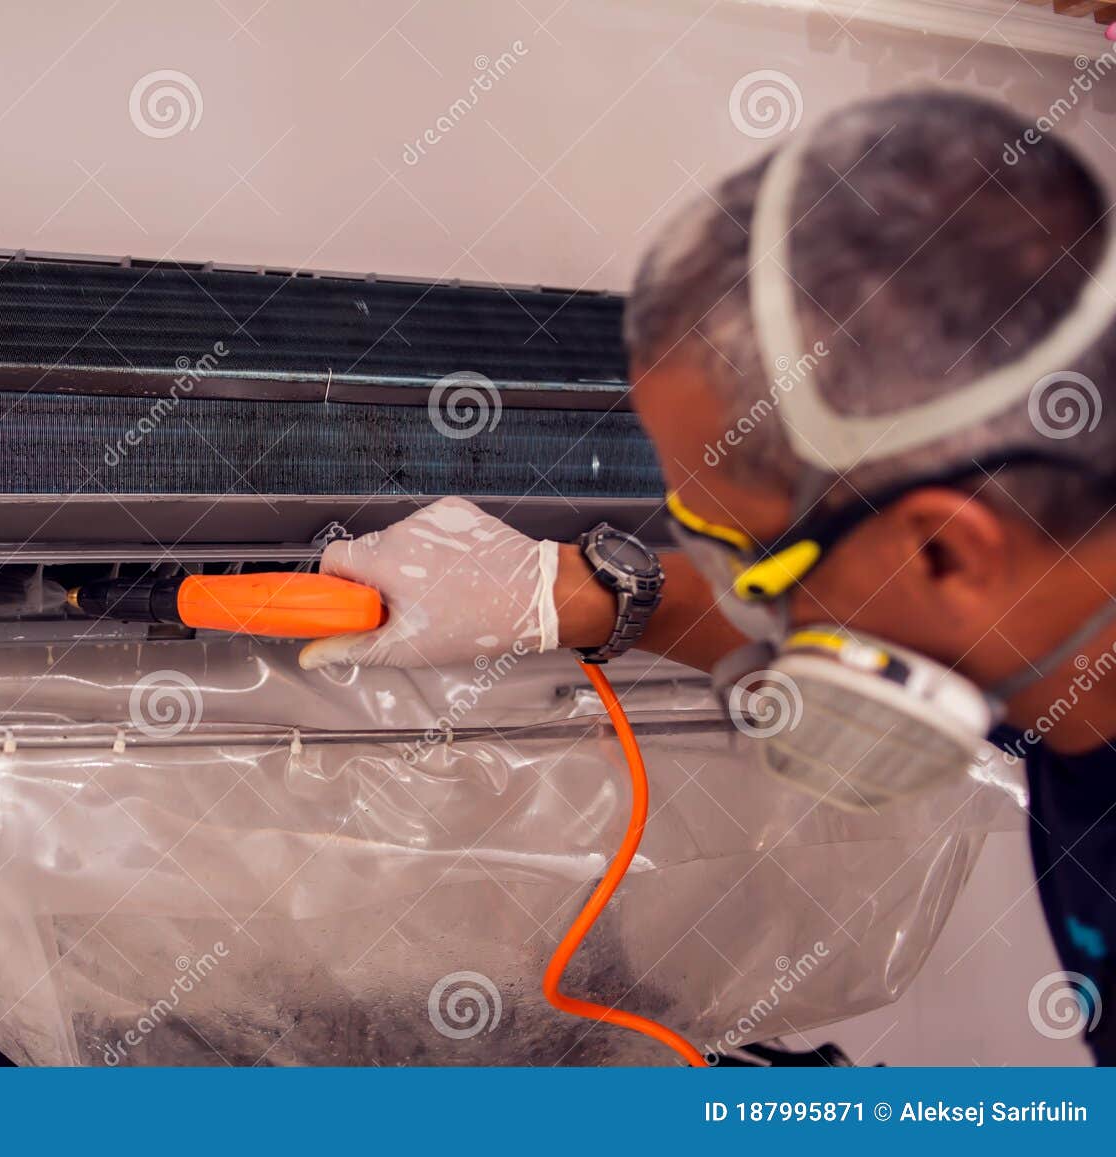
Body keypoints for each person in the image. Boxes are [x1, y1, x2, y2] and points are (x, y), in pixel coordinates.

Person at [298, 90, 1116, 1065]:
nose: (742, 607)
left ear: (948, 549)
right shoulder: (1049, 635)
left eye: (754, 560)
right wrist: (554, 587)